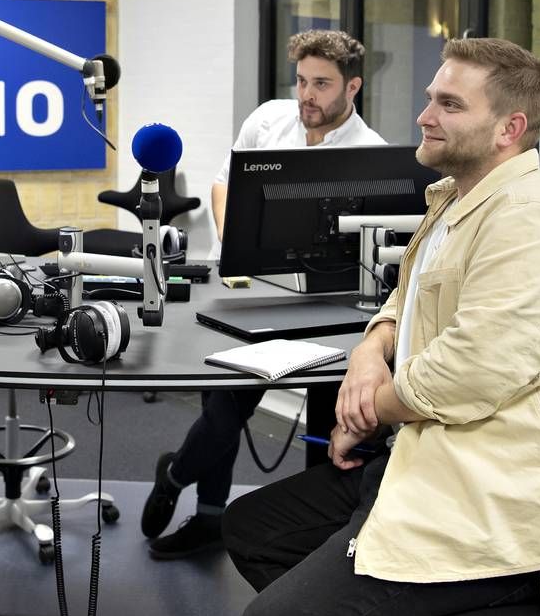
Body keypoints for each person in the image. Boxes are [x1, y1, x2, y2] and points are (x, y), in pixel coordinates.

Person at [222, 37, 540, 616]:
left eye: (450, 104)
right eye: (429, 99)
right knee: (253, 528)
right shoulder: (455, 199)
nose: (424, 117)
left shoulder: (533, 220)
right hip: (420, 453)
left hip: (490, 494)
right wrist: (372, 348)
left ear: (509, 127)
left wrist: (365, 411)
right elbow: (407, 293)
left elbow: (466, 376)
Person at [142, 29, 386, 559]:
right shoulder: (270, 119)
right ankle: (203, 511)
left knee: (328, 426)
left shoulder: (371, 153)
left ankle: (311, 545)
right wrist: (238, 250)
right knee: (226, 412)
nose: (307, 95)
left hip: (331, 307)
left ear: (353, 88)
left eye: (322, 84)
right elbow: (223, 184)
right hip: (248, 292)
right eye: (301, 80)